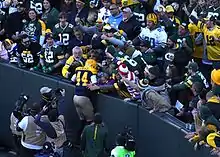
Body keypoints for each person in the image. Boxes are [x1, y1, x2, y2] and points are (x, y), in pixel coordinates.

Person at [71, 59, 98, 144]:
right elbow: (94, 84)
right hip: (83, 98)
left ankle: (76, 140)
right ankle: (86, 142)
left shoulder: (78, 69)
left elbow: (72, 80)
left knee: (82, 120)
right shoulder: (91, 72)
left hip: (75, 97)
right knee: (91, 121)